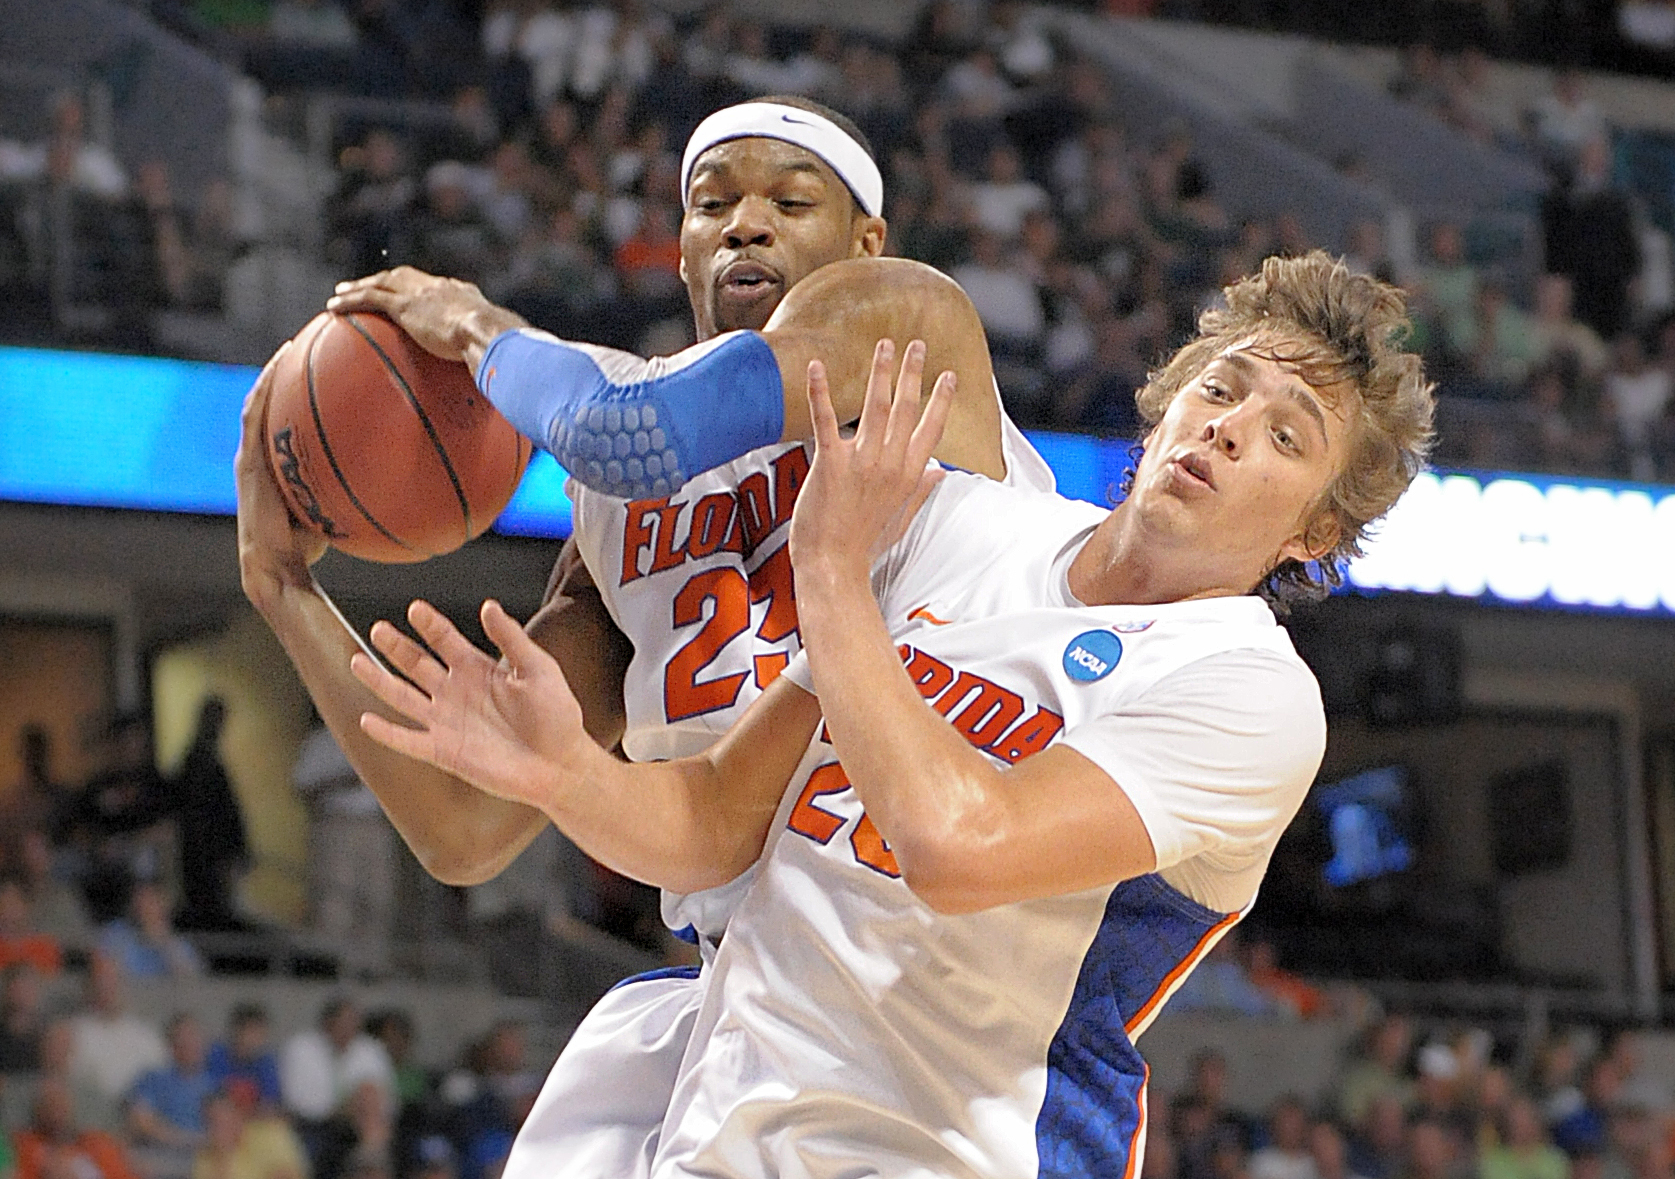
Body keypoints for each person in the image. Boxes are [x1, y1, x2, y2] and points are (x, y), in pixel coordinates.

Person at [347, 251, 1434, 1176]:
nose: (1232, 428)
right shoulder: (966, 528)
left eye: (1287, 437)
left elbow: (958, 847)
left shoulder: (1248, 691)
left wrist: (827, 569)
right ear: (1165, 403)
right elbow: (724, 822)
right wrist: (564, 776)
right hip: (725, 1129)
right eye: (1222, 388)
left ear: (1312, 534)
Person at [238, 94, 1053, 1179]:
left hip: (931, 974)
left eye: (788, 201)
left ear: (864, 241)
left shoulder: (913, 327)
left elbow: (632, 433)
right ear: (680, 257)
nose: (745, 225)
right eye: (711, 205)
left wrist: (481, 330)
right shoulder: (614, 518)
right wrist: (283, 587)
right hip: (737, 988)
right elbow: (467, 829)